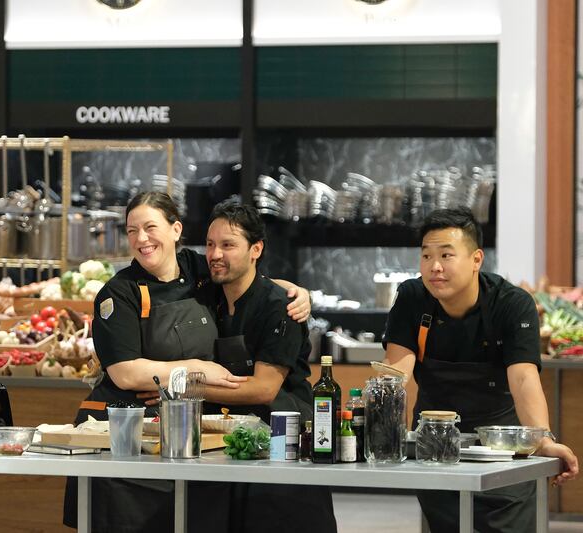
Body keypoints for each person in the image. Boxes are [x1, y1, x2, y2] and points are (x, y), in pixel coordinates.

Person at [63, 191, 311, 532]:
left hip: (184, 436)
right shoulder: (118, 293)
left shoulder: (200, 269)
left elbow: (246, 276)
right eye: (132, 230)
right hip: (125, 437)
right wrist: (194, 371)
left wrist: (294, 291)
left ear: (176, 229)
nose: (141, 238)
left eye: (150, 227)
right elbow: (125, 373)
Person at [382, 207, 578, 532]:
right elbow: (396, 374)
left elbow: (524, 377)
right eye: (427, 256)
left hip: (501, 446)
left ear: (476, 260)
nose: (435, 267)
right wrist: (383, 433)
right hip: (435, 445)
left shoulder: (511, 304)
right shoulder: (412, 297)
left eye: (446, 255)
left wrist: (541, 438)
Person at [200, 200, 337, 533]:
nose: (216, 254)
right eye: (210, 244)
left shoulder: (280, 306)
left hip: (283, 442)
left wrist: (186, 390)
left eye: (228, 245)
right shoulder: (210, 296)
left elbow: (264, 388)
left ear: (255, 249)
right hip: (233, 442)